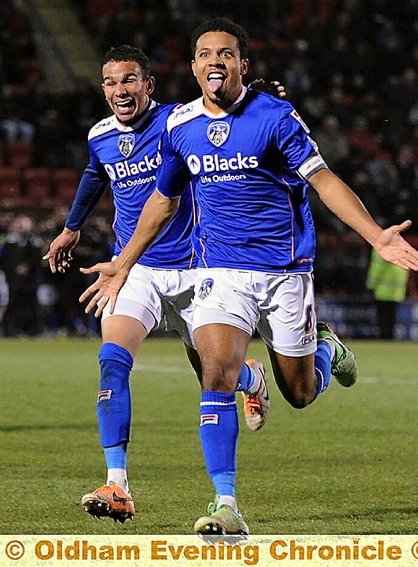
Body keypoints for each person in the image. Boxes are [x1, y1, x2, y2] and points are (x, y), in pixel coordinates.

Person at [79, 18, 418, 535]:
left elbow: (323, 179)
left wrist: (374, 234)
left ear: (243, 64)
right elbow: (162, 200)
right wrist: (123, 262)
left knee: (300, 393)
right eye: (204, 53)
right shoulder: (181, 127)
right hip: (221, 274)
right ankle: (227, 505)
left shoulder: (275, 117)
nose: (214, 60)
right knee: (215, 375)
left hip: (286, 274)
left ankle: (327, 351)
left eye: (225, 53)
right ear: (194, 67)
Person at [43, 45, 283, 524]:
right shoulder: (100, 136)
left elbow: (225, 113)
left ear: (148, 85)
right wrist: (72, 228)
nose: (119, 90)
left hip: (199, 267)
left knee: (214, 378)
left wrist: (256, 96)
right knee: (112, 363)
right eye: (110, 83)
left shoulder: (178, 121)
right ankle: (117, 485)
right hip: (136, 270)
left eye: (129, 80)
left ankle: (249, 383)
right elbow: (96, 175)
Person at [366, 248, 410, 339]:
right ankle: (390, 338)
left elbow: (377, 269)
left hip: (382, 291)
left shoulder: (380, 249)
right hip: (397, 291)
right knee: (391, 317)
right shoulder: (401, 248)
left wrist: (370, 285)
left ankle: (384, 337)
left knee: (383, 317)